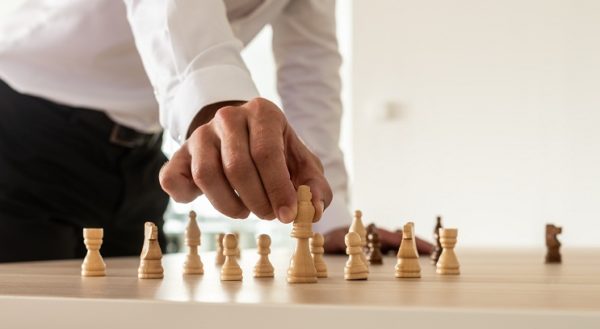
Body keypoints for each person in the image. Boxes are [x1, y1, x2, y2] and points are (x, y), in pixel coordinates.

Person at [0, 0, 431, 262]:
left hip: (140, 159)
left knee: (119, 324)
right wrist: (217, 105)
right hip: (19, 130)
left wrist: (327, 219)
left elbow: (311, 66)